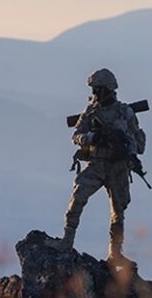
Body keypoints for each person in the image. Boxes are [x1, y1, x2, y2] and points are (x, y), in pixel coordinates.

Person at [56, 68, 146, 259]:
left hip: (118, 167)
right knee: (78, 197)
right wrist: (92, 138)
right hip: (97, 164)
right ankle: (67, 241)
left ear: (108, 89)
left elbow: (139, 144)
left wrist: (124, 144)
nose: (94, 93)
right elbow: (76, 136)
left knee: (118, 211)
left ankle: (115, 254)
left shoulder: (125, 113)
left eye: (98, 89)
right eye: (94, 89)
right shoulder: (90, 112)